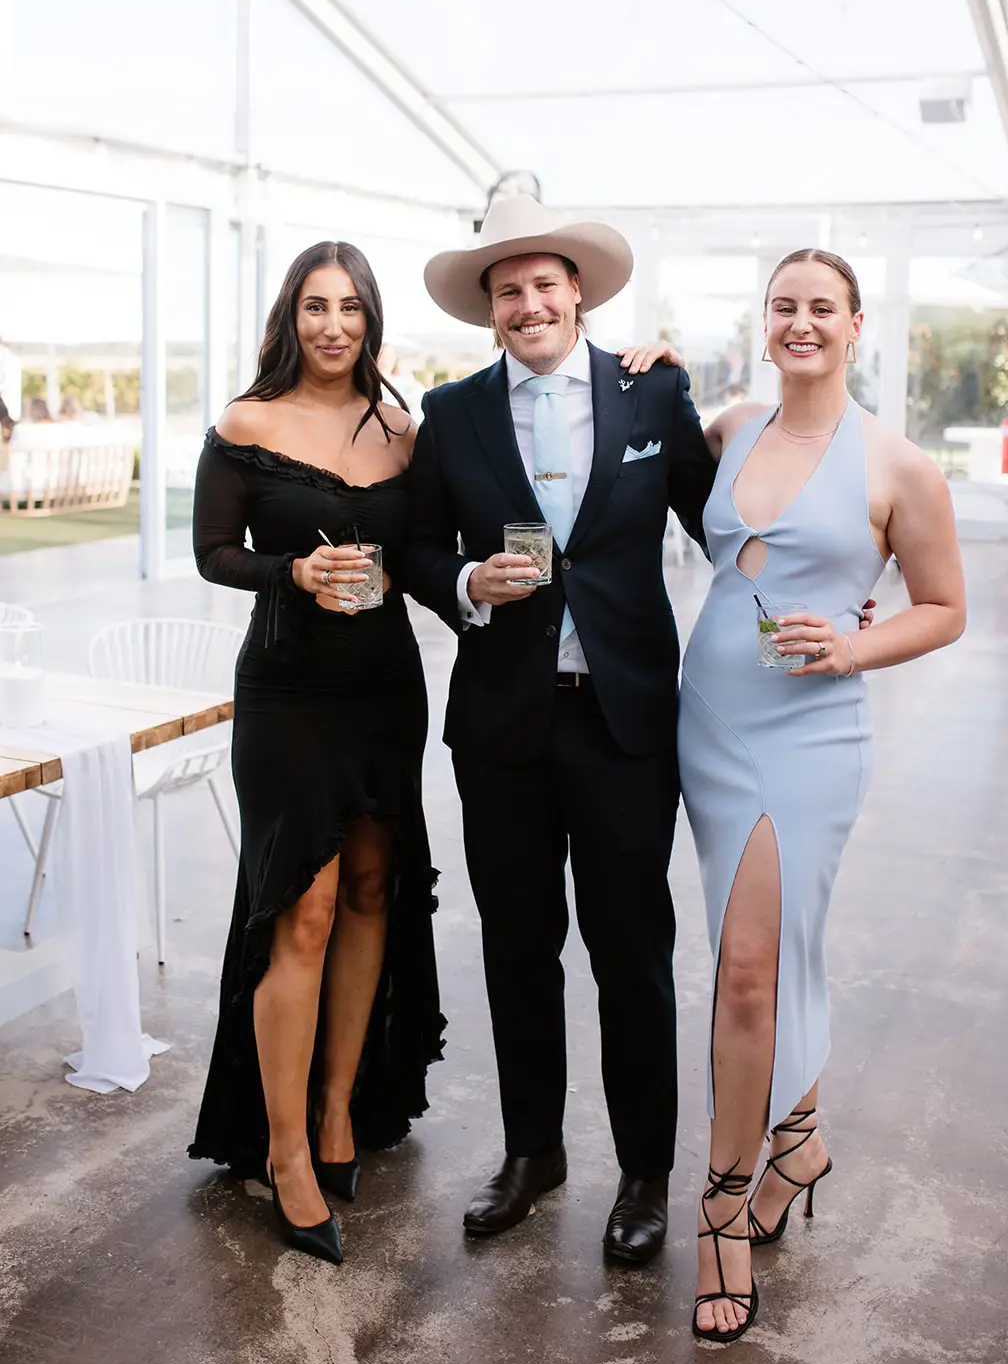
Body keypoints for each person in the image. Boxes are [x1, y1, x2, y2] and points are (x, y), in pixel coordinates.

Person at [405, 193, 717, 1265]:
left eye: (544, 283)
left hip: (623, 723)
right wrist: (464, 581)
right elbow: (416, 548)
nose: (528, 303)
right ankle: (532, 1152)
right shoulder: (451, 414)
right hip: (503, 729)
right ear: (488, 308)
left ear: (577, 292)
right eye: (508, 290)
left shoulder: (651, 390)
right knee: (517, 948)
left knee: (631, 954)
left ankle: (645, 1172)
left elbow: (720, 518)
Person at [678, 248, 966, 1342]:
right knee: (760, 951)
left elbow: (942, 607)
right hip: (709, 722)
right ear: (765, 324)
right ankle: (797, 1144)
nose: (800, 323)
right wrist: (649, 362)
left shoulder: (899, 466)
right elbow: (682, 467)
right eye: (782, 306)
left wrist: (851, 648)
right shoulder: (731, 429)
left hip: (809, 734)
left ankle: (721, 1209)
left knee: (749, 970)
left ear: (854, 327)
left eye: (821, 309)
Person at [188, 241, 445, 1265]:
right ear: (289, 318)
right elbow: (212, 553)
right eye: (314, 306)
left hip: (385, 688)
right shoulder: (245, 424)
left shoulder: (404, 431)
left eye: (349, 307)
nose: (332, 325)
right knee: (303, 906)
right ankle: (286, 1149)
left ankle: (340, 1108)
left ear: (371, 319)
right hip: (287, 692)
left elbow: (425, 553)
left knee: (373, 890)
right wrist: (290, 571)